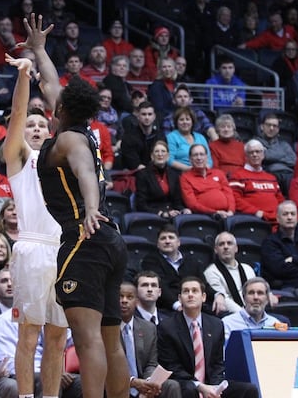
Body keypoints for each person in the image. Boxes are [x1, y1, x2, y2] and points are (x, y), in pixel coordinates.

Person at [36, 74, 129, 397]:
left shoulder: (70, 141)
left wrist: (90, 209)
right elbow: (49, 82)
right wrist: (38, 49)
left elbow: (86, 172)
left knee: (88, 339)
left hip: (84, 236)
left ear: (61, 108)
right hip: (109, 240)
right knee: (110, 339)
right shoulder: (75, 128)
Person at [157, 277, 260, 398]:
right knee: (191, 390)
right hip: (184, 382)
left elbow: (217, 363)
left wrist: (216, 388)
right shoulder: (167, 327)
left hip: (211, 383)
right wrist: (199, 385)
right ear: (180, 299)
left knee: (249, 389)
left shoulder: (216, 324)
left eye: (195, 291)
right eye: (186, 291)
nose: (190, 295)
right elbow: (172, 367)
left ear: (204, 297)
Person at [141, 225, 226, 314]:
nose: (167, 241)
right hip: (168, 309)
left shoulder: (192, 261)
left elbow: (203, 284)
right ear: (158, 244)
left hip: (195, 306)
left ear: (178, 242)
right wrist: (178, 305)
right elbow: (161, 287)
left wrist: (218, 295)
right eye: (163, 238)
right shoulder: (150, 261)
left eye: (171, 238)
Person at [118, 281, 182, 398]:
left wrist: (149, 382)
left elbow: (151, 363)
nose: (124, 300)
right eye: (120, 297)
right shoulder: (105, 329)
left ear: (136, 302)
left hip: (144, 383)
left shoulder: (148, 328)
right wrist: (133, 382)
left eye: (129, 297)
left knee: (171, 386)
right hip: (116, 384)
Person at [203, 232, 264, 314]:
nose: (226, 247)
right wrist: (245, 315)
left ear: (236, 248)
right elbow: (224, 299)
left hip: (254, 312)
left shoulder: (247, 269)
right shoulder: (211, 272)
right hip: (232, 316)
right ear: (215, 250)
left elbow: (256, 292)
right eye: (221, 244)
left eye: (229, 243)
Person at [229, 140, 285, 223]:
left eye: (258, 152)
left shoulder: (271, 178)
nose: (255, 155)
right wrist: (256, 212)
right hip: (254, 221)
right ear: (246, 156)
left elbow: (280, 199)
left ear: (263, 155)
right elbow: (236, 200)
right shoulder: (237, 176)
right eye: (251, 152)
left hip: (277, 220)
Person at [135, 140, 190, 219]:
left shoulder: (174, 174)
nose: (160, 154)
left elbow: (177, 202)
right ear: (152, 156)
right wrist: (161, 213)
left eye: (163, 151)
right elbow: (141, 205)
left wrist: (183, 210)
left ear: (168, 156)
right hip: (153, 215)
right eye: (156, 151)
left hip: (172, 214)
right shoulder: (143, 174)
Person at [179, 144, 234, 218]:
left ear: (207, 157)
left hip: (228, 214)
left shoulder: (219, 173)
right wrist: (215, 212)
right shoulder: (185, 178)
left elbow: (229, 194)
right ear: (190, 159)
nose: (199, 158)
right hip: (205, 216)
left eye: (202, 154)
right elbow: (192, 204)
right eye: (195, 155)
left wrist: (231, 211)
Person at [221, 277, 281, 344]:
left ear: (267, 299)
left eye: (260, 293)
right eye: (251, 293)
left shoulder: (275, 324)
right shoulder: (227, 323)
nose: (256, 297)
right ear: (244, 298)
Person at [254, 113, 296, 191]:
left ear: (278, 129)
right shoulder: (256, 143)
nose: (271, 128)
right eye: (268, 125)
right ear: (262, 127)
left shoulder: (284, 145)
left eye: (274, 126)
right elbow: (263, 156)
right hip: (268, 174)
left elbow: (293, 160)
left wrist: (270, 156)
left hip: (288, 175)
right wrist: (283, 155)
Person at [122, 102, 166, 171]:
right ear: (138, 116)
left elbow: (164, 158)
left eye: (150, 114)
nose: (147, 117)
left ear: (154, 116)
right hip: (136, 174)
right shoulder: (128, 137)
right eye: (144, 114)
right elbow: (134, 164)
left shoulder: (160, 136)